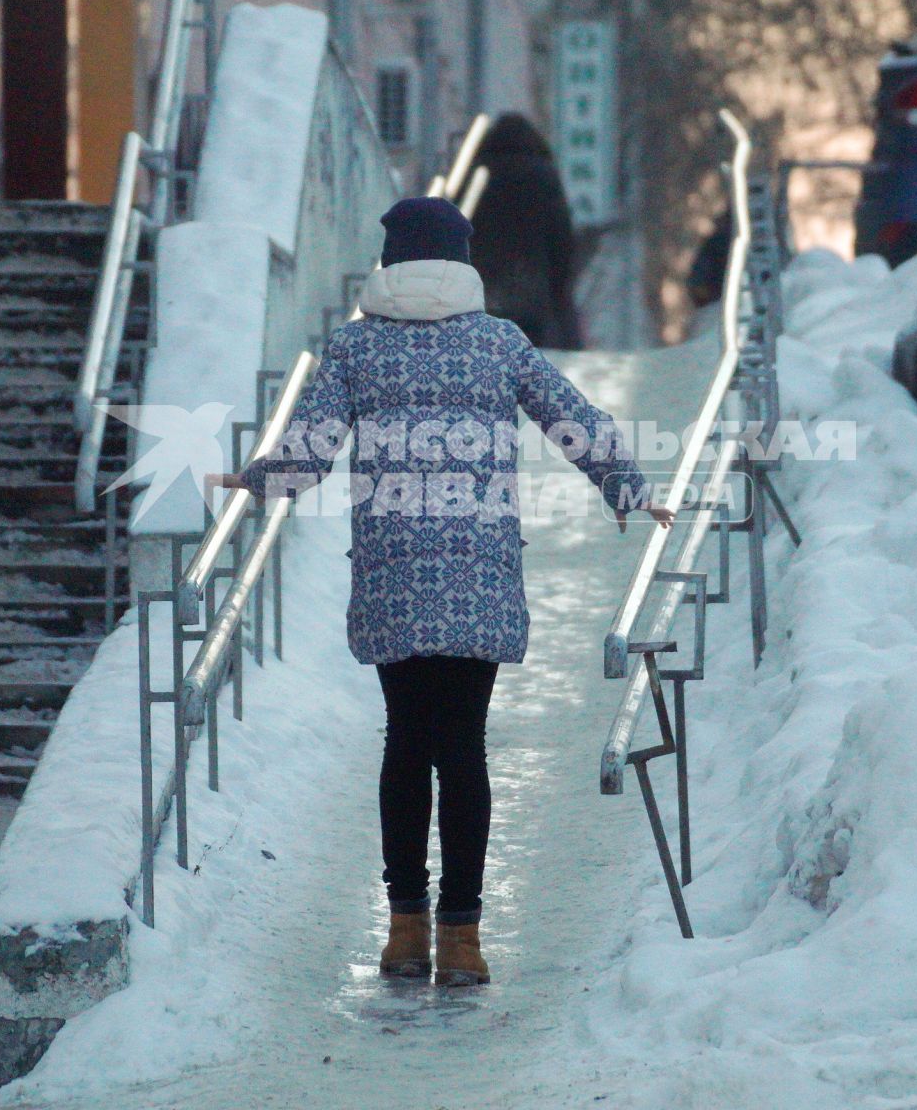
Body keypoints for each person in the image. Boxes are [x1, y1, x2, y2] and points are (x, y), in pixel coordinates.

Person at [209, 196, 672, 987]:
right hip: (478, 569)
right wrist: (627, 486)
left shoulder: (356, 348)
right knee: (463, 749)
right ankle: (462, 939)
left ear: (389, 264)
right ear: (463, 261)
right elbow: (572, 416)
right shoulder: (499, 343)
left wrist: (254, 481)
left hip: (392, 568)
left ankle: (403, 931)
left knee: (404, 741)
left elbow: (310, 447)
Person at [468, 114, 586, 350]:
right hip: (530, 295)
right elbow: (561, 241)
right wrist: (560, 293)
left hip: (480, 293)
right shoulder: (544, 177)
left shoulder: (475, 177)